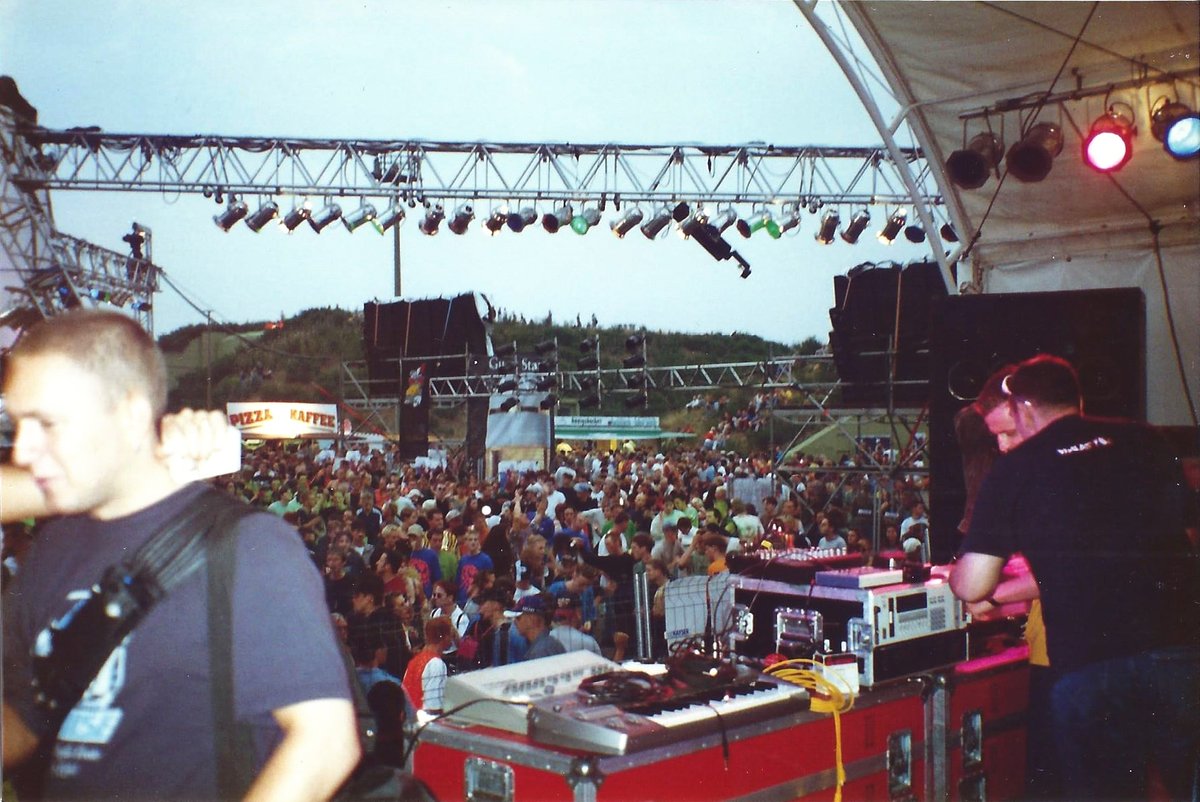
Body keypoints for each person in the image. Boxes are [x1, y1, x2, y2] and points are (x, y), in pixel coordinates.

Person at [1, 310, 358, 801]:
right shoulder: (51, 551)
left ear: (130, 415)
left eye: (47, 423)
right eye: (19, 424)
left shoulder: (249, 546)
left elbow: (324, 745)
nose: (22, 451)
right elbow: (25, 720)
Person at [950, 355, 1199, 801]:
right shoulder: (1145, 438)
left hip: (1091, 663)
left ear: (1023, 407)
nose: (1004, 444)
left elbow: (972, 585)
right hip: (1180, 651)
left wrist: (971, 587)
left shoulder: (1017, 468)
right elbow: (1187, 538)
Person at [402, 617, 453, 717]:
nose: (452, 638)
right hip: (425, 720)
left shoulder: (415, 660)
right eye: (450, 634)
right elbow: (433, 706)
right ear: (444, 636)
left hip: (410, 717)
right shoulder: (436, 664)